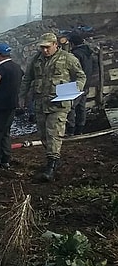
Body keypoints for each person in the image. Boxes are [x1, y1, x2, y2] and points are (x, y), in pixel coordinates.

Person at [19, 33, 86, 182]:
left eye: (47, 47)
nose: (44, 50)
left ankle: (51, 165)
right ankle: (53, 158)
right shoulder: (36, 59)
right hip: (41, 104)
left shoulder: (68, 58)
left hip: (59, 104)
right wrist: (22, 97)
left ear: (55, 44)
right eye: (42, 47)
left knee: (54, 133)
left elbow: (81, 76)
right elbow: (28, 78)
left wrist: (75, 90)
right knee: (43, 135)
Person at [65, 33, 94, 136]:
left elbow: (74, 70)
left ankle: (71, 129)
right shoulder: (88, 52)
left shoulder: (76, 54)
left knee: (71, 106)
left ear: (72, 43)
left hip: (77, 84)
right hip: (86, 83)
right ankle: (80, 128)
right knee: (81, 106)